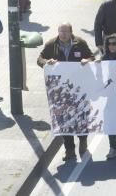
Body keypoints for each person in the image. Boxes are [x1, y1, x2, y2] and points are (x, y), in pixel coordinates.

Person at [37, 23, 94, 161]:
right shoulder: (52, 44)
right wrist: (46, 62)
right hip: (60, 91)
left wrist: (87, 60)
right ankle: (69, 150)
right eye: (60, 31)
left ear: (71, 32)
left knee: (81, 118)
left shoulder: (80, 43)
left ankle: (83, 142)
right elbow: (39, 59)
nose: (62, 34)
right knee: (64, 120)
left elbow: (91, 57)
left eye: (65, 31)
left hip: (79, 89)